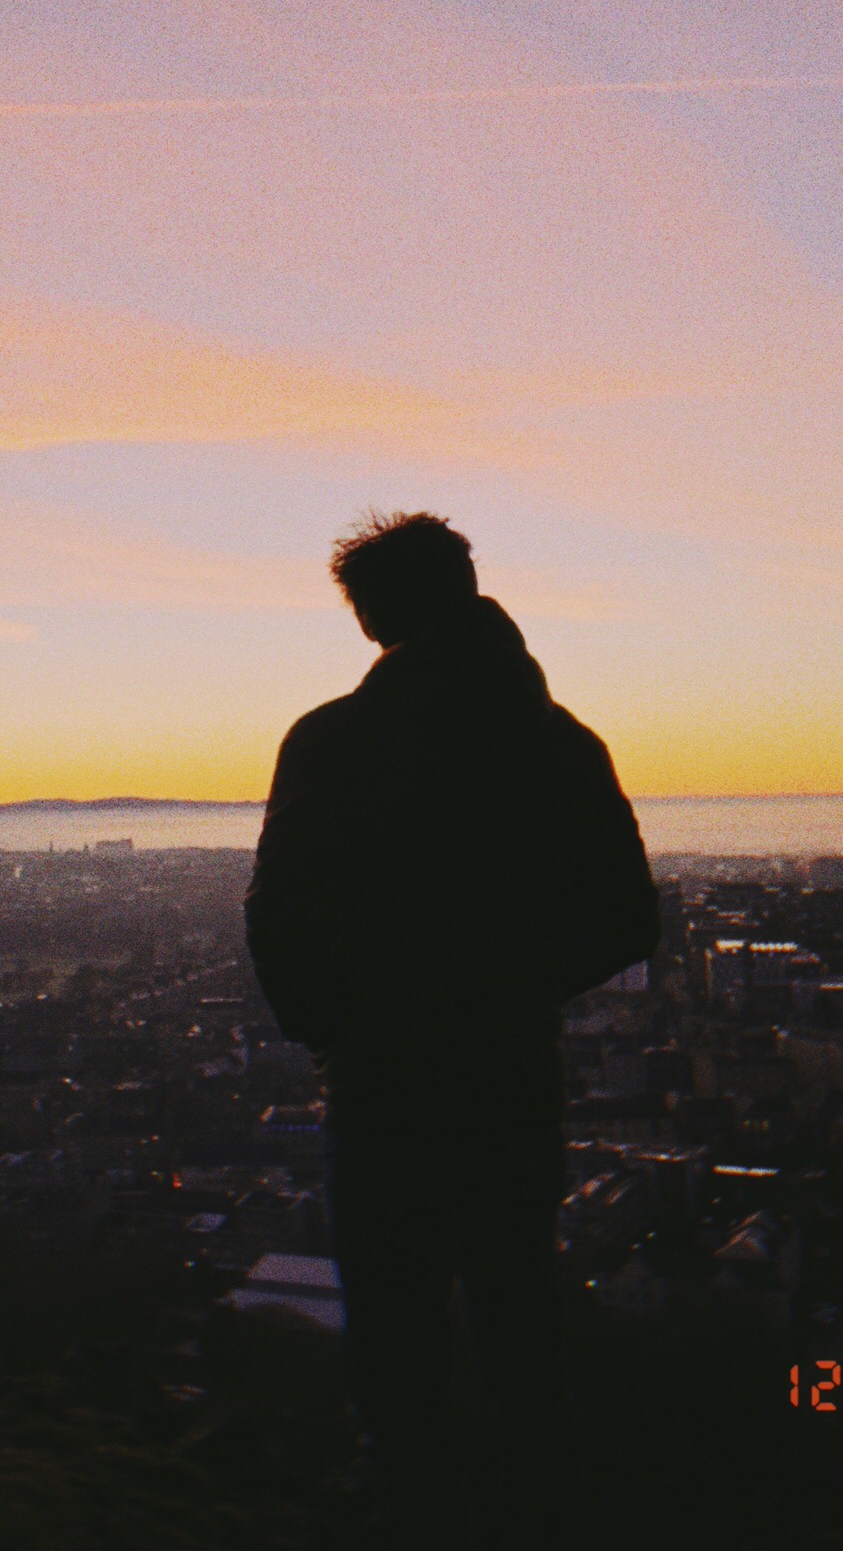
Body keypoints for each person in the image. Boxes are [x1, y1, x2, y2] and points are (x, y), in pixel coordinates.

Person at [244, 511, 658, 1548]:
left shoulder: (335, 741)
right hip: (514, 1087)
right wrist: (515, 989)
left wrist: (340, 1026)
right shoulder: (564, 745)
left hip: (386, 1097)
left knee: (398, 1368)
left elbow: (279, 916)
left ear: (374, 618)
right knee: (526, 1353)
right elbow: (626, 919)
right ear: (468, 591)